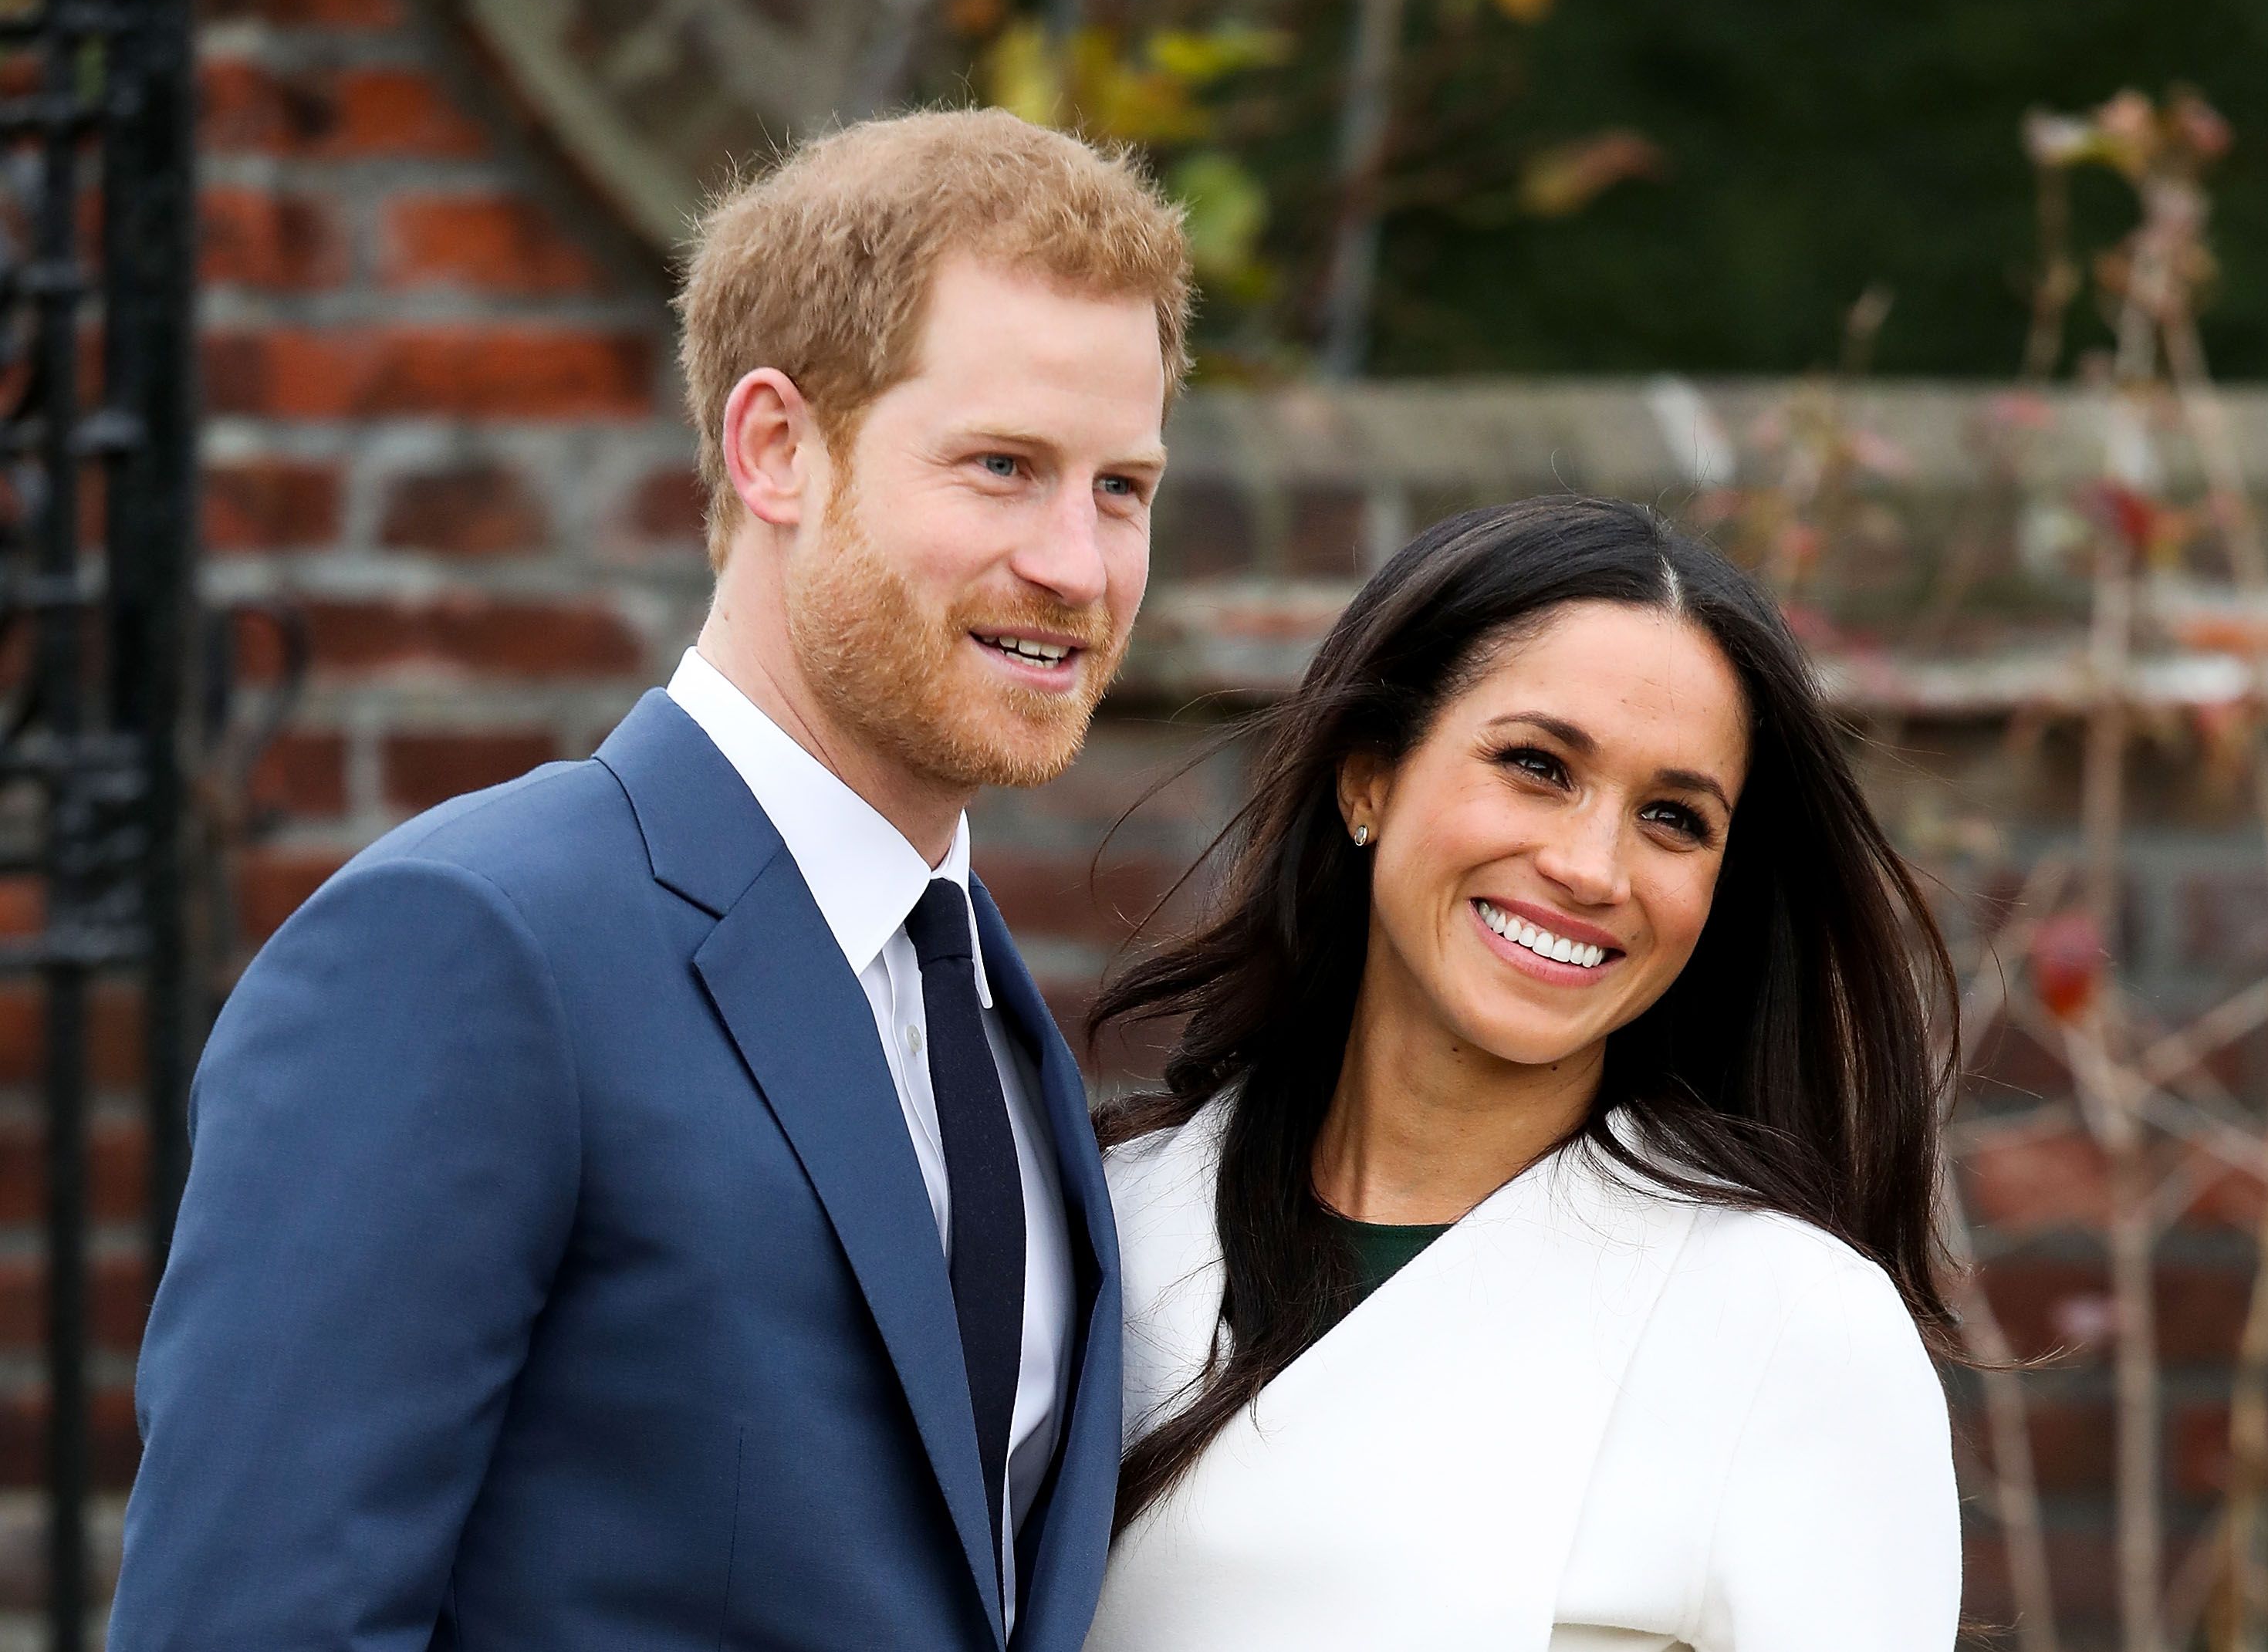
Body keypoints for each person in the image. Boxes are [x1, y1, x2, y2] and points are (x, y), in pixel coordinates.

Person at [110, 108, 1191, 1652]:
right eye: (1004, 466)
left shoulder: (992, 1014)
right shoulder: (469, 944)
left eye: (1122, 487)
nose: (1077, 565)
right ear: (774, 448)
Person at [1083, 495, 1962, 1650]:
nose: (1591, 866)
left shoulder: (1790, 1331)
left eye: (1673, 817)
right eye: (1538, 765)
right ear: (1369, 779)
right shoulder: (1098, 1226)